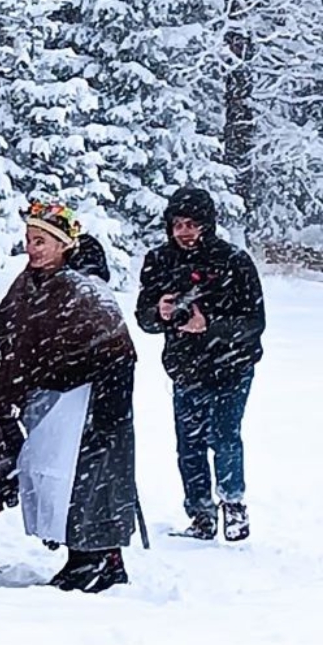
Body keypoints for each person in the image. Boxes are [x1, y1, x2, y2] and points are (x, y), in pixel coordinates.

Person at [0, 199, 138, 593]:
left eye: (41, 241)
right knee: (61, 479)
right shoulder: (29, 281)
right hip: (52, 398)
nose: (33, 249)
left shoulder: (84, 289)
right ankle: (82, 556)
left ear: (64, 245)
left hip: (88, 399)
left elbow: (115, 350)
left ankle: (98, 559)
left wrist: (107, 408)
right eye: (29, 240)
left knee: (89, 481)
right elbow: (12, 329)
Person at [135, 187, 265, 541]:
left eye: (193, 224)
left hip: (232, 367)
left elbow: (254, 323)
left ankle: (233, 506)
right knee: (188, 445)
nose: (185, 232)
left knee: (225, 437)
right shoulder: (159, 260)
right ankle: (200, 514)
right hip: (184, 369)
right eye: (178, 224)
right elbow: (143, 318)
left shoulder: (234, 261)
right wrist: (159, 312)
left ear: (208, 224)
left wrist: (210, 328)